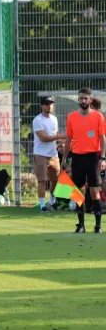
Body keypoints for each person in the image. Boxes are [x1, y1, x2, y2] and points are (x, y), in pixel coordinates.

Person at [61, 87, 106, 234]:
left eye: (85, 98)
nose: (83, 101)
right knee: (78, 191)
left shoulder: (98, 116)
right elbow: (68, 139)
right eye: (80, 98)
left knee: (94, 191)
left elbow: (102, 138)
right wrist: (64, 158)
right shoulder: (72, 117)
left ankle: (98, 226)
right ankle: (81, 225)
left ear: (90, 100)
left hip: (93, 157)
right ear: (78, 100)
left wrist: (102, 158)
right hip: (77, 157)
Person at [33, 97, 66, 212]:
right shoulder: (37, 120)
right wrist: (60, 136)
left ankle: (52, 201)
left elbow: (55, 135)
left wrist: (64, 141)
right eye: (47, 104)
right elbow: (43, 138)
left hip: (53, 154)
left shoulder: (54, 119)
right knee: (42, 180)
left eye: (51, 103)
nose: (49, 106)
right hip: (40, 154)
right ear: (42, 106)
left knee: (55, 180)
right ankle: (42, 205)